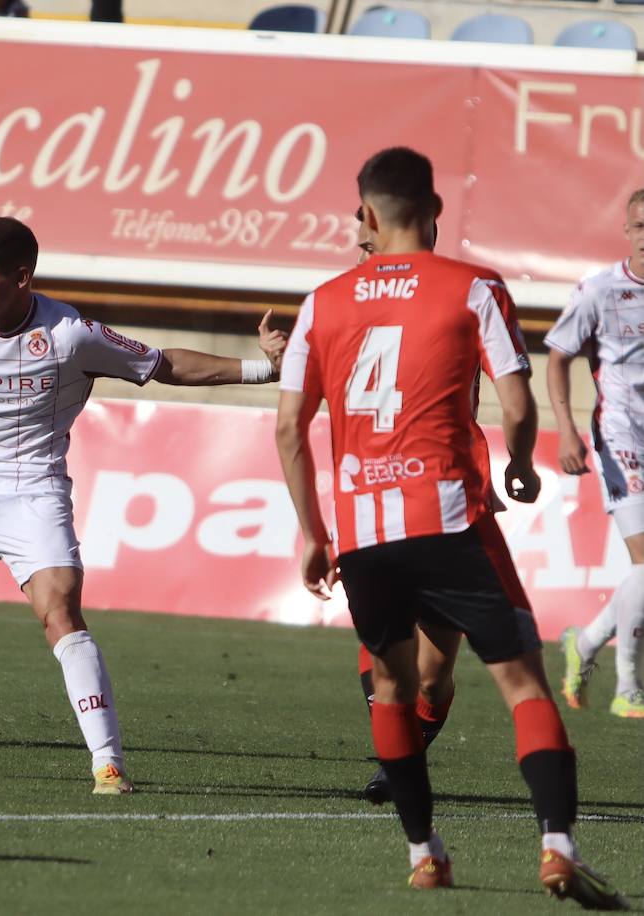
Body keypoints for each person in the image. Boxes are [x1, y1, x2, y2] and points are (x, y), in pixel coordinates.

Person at [275, 147, 624, 906]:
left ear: (366, 216)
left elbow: (287, 428)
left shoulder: (322, 300)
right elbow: (519, 404)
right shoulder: (473, 285)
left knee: (394, 691)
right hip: (448, 516)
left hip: (363, 532)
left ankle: (425, 853)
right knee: (524, 683)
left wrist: (313, 532)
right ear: (432, 211)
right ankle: (557, 850)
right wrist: (522, 464)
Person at [0, 216, 287, 795]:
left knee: (60, 615)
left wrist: (264, 369)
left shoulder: (71, 334)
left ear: (23, 278)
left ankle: (108, 764)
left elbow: (163, 365)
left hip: (34, 497)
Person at [349, 210, 533, 805]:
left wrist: (519, 459)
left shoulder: (464, 293)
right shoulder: (343, 300)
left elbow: (512, 391)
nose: (363, 248)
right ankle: (396, 767)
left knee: (432, 672)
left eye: (369, 235)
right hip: (375, 491)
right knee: (384, 650)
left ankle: (403, 750)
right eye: (360, 241)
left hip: (452, 493)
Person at [548, 190, 644, 720]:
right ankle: (628, 685)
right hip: (620, 436)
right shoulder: (601, 290)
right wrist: (565, 430)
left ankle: (584, 645)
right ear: (627, 230)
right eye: (640, 226)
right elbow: (558, 357)